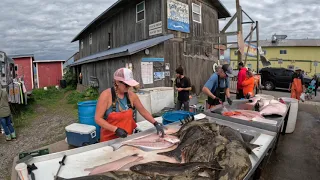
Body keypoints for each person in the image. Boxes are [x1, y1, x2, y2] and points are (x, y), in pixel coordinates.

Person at [95, 68, 165, 142]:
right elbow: (98, 119)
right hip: (109, 140)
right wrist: (115, 129)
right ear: (117, 82)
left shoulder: (132, 96)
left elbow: (143, 111)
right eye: (126, 85)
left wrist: (155, 123)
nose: (129, 87)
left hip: (127, 137)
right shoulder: (106, 95)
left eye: (130, 85)